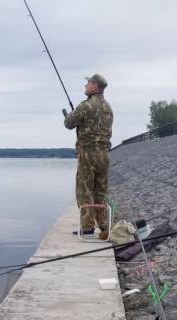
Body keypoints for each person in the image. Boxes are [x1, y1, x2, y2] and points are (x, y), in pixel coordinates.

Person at [63, 73, 113, 240]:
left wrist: (69, 115)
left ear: (95, 87)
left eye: (88, 83)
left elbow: (69, 124)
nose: (86, 86)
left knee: (85, 190)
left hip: (88, 154)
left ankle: (87, 228)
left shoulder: (86, 106)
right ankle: (104, 224)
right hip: (105, 154)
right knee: (101, 190)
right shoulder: (108, 107)